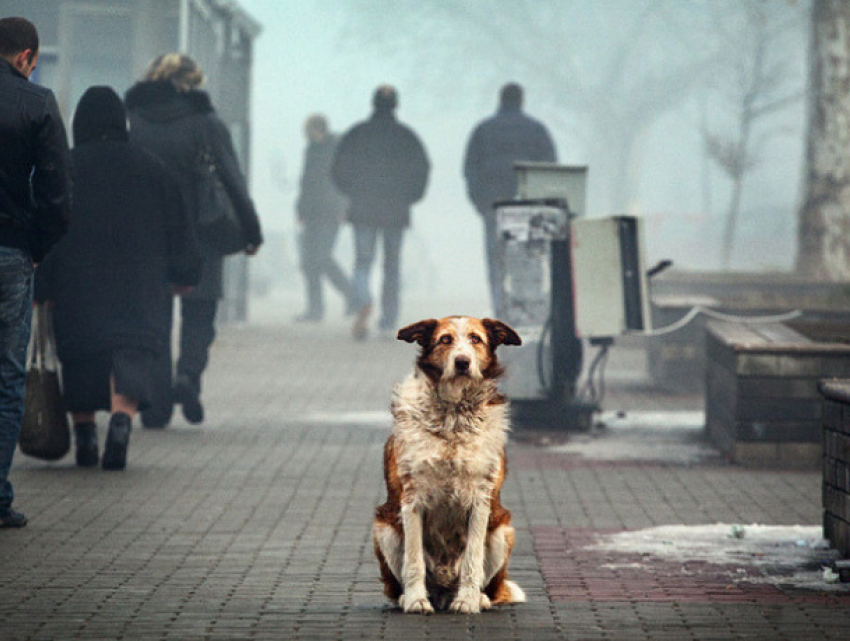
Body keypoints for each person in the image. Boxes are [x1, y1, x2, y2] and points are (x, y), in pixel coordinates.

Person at [35, 86, 201, 471]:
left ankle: (86, 436)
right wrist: (186, 275)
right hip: (139, 288)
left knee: (80, 356)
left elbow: (44, 230)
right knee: (130, 353)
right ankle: (122, 422)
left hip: (77, 286)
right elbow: (181, 229)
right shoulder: (153, 169)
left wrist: (42, 286)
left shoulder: (63, 169)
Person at [125, 53, 263, 427]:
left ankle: (155, 406)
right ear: (194, 82)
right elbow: (233, 180)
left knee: (155, 318)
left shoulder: (133, 120)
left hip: (149, 236)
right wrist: (251, 232)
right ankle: (187, 375)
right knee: (200, 313)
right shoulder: (206, 123)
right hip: (203, 233)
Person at [0, 17, 71, 527]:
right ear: (26, 57)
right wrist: (38, 246)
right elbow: (55, 193)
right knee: (7, 376)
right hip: (10, 251)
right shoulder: (37, 104)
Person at [331, 85, 430, 340]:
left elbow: (338, 167)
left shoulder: (357, 134)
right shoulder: (407, 137)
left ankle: (363, 300)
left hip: (363, 207)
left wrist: (351, 191)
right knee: (392, 265)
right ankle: (388, 320)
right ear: (395, 105)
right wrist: (411, 197)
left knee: (363, 261)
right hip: (395, 210)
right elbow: (422, 168)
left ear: (372, 104)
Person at [463, 82, 557, 313]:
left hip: (493, 205)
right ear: (521, 100)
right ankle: (527, 308)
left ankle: (500, 310)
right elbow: (550, 167)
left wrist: (480, 202)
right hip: (529, 206)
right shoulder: (537, 130)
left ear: (500, 100)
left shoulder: (483, 130)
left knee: (496, 262)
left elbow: (470, 169)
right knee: (530, 258)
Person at [294, 114, 351, 322]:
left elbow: (344, 181)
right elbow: (306, 182)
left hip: (330, 213)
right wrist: (300, 209)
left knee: (322, 258)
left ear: (318, 130)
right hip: (312, 214)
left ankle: (352, 296)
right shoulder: (311, 150)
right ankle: (315, 309)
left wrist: (343, 208)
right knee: (310, 262)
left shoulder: (337, 149)